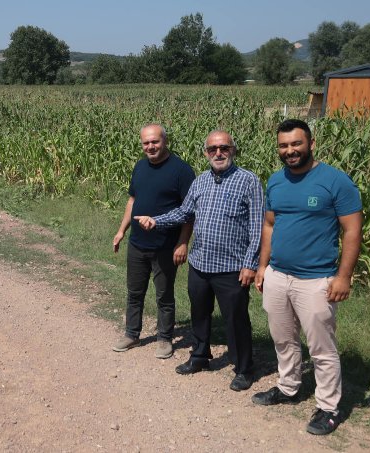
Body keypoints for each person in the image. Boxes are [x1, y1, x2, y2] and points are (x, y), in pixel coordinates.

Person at [252, 119, 362, 436]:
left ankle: (328, 407)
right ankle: (289, 388)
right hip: (277, 275)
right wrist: (263, 267)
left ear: (311, 144)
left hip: (316, 281)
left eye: (296, 144)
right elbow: (270, 225)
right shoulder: (275, 181)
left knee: (322, 349)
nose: (290, 151)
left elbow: (353, 230)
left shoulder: (335, 181)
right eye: (284, 146)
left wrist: (344, 277)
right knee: (283, 339)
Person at [136, 130, 263, 392]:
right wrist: (157, 220)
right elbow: (184, 212)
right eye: (212, 149)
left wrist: (251, 263)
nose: (218, 153)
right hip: (200, 263)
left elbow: (258, 226)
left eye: (224, 148)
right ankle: (200, 356)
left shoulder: (248, 180)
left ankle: (243, 368)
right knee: (199, 314)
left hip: (232, 267)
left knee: (235, 320)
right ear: (205, 153)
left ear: (233, 150)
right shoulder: (201, 181)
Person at [111, 124, 195, 359]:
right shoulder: (140, 166)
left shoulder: (181, 171)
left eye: (155, 142)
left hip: (165, 246)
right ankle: (131, 334)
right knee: (134, 292)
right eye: (146, 143)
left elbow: (189, 212)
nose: (150, 146)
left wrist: (182, 242)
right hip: (137, 243)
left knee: (164, 295)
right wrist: (121, 231)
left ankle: (165, 338)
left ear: (165, 141)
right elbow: (132, 201)